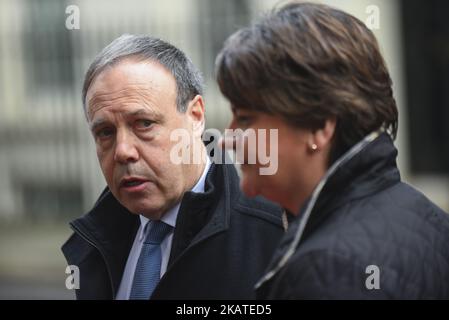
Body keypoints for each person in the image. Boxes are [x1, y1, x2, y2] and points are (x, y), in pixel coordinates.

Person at [215, 2, 449, 299]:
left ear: (318, 125)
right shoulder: (420, 213)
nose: (227, 138)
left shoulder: (330, 270)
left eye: (246, 118)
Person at [61, 34, 284, 300]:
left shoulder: (274, 236)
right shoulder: (96, 239)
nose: (122, 151)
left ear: (196, 116)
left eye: (144, 124)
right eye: (105, 132)